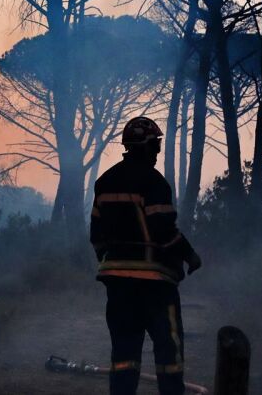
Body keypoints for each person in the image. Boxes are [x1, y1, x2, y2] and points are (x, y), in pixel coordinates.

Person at [89, 116, 203, 395]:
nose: (157, 152)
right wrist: (189, 255)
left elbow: (97, 235)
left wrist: (112, 260)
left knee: (124, 354)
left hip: (117, 283)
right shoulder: (154, 182)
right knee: (168, 350)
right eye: (156, 145)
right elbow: (164, 229)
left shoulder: (105, 182)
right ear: (146, 146)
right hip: (156, 284)